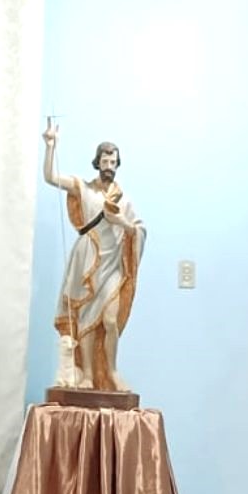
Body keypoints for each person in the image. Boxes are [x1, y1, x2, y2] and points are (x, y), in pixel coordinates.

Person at [42, 121, 146, 391]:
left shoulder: (125, 201)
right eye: (104, 159)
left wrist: (121, 221)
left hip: (112, 265)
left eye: (113, 160)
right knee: (86, 320)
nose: (109, 164)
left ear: (117, 163)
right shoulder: (83, 188)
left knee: (110, 320)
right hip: (87, 260)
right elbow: (51, 177)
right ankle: (87, 374)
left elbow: (138, 230)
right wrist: (51, 146)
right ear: (97, 162)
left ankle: (111, 371)